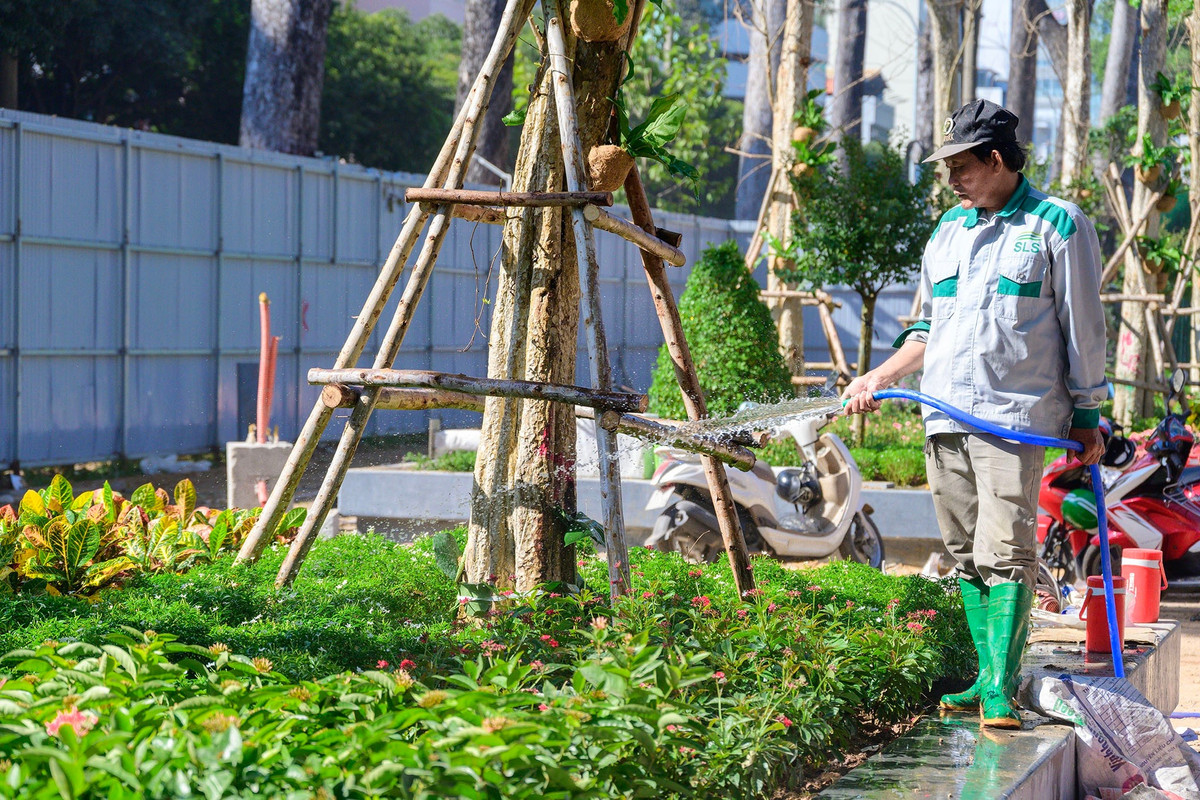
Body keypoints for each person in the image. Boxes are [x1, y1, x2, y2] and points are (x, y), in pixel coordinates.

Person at [842, 99, 1108, 728]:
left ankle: (1001, 687)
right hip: (943, 416)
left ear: (995, 159)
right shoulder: (949, 231)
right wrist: (878, 376)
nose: (952, 178)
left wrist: (1088, 411)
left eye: (960, 165)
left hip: (1012, 421)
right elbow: (925, 328)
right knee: (964, 552)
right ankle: (985, 676)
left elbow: (1084, 328)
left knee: (1006, 551)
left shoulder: (1057, 226)